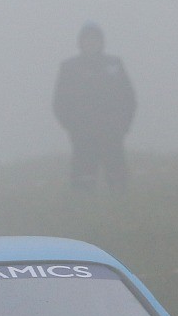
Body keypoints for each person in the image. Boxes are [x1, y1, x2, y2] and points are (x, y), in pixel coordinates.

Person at [52, 22, 136, 192]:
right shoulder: (69, 68)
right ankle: (84, 213)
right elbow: (60, 102)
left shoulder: (115, 64)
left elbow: (129, 98)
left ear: (102, 42)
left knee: (118, 180)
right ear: (80, 43)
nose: (91, 43)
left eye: (95, 39)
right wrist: (72, 127)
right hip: (82, 134)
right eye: (87, 40)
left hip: (112, 132)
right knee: (83, 181)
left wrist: (123, 125)